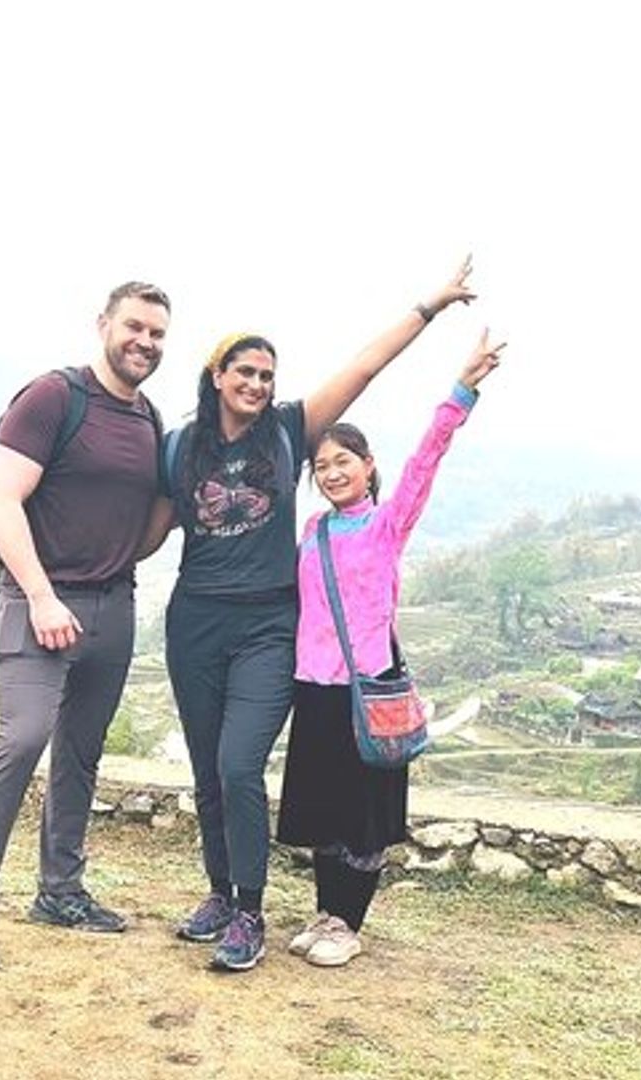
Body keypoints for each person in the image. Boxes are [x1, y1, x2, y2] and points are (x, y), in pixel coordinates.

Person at [144, 258, 476, 972]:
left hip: (268, 628)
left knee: (238, 766)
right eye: (245, 372)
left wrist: (430, 307)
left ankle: (250, 911)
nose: (258, 384)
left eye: (267, 374)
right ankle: (220, 895)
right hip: (195, 623)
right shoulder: (181, 445)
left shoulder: (288, 432)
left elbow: (364, 367)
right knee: (208, 773)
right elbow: (149, 524)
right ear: (216, 376)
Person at [0, 281, 171, 973]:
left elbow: (145, 522)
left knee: (80, 752)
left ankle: (61, 892)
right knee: (22, 739)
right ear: (104, 325)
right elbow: (2, 501)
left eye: (157, 333)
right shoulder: (51, 397)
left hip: (112, 606)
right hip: (36, 601)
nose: (145, 342)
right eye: (135, 327)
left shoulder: (149, 419)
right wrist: (42, 597)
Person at [278, 328, 506, 967]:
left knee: (361, 817)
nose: (332, 473)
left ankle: (348, 925)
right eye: (322, 466)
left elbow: (427, 460)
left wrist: (461, 391)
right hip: (314, 689)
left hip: (367, 691)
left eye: (343, 461)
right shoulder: (314, 528)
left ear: (368, 465)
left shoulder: (386, 524)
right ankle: (326, 913)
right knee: (324, 814)